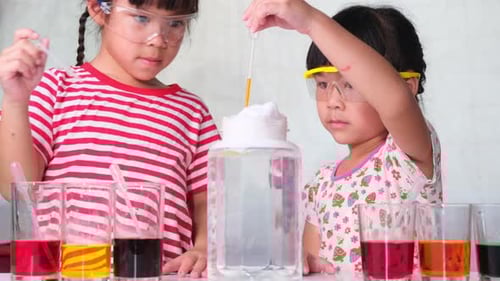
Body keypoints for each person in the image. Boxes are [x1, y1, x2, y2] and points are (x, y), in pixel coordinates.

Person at [0, 0, 220, 277]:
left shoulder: (191, 111)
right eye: (141, 18)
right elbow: (14, 187)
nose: (159, 40)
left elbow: (210, 198)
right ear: (98, 9)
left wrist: (205, 248)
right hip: (67, 272)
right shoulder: (55, 88)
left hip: (158, 273)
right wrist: (16, 101)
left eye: (175, 23)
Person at [243, 0, 443, 276]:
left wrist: (311, 21)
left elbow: (394, 100)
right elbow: (314, 268)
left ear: (408, 87)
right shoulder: (321, 184)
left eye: (350, 84)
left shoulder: (407, 159)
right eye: (323, 84)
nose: (333, 101)